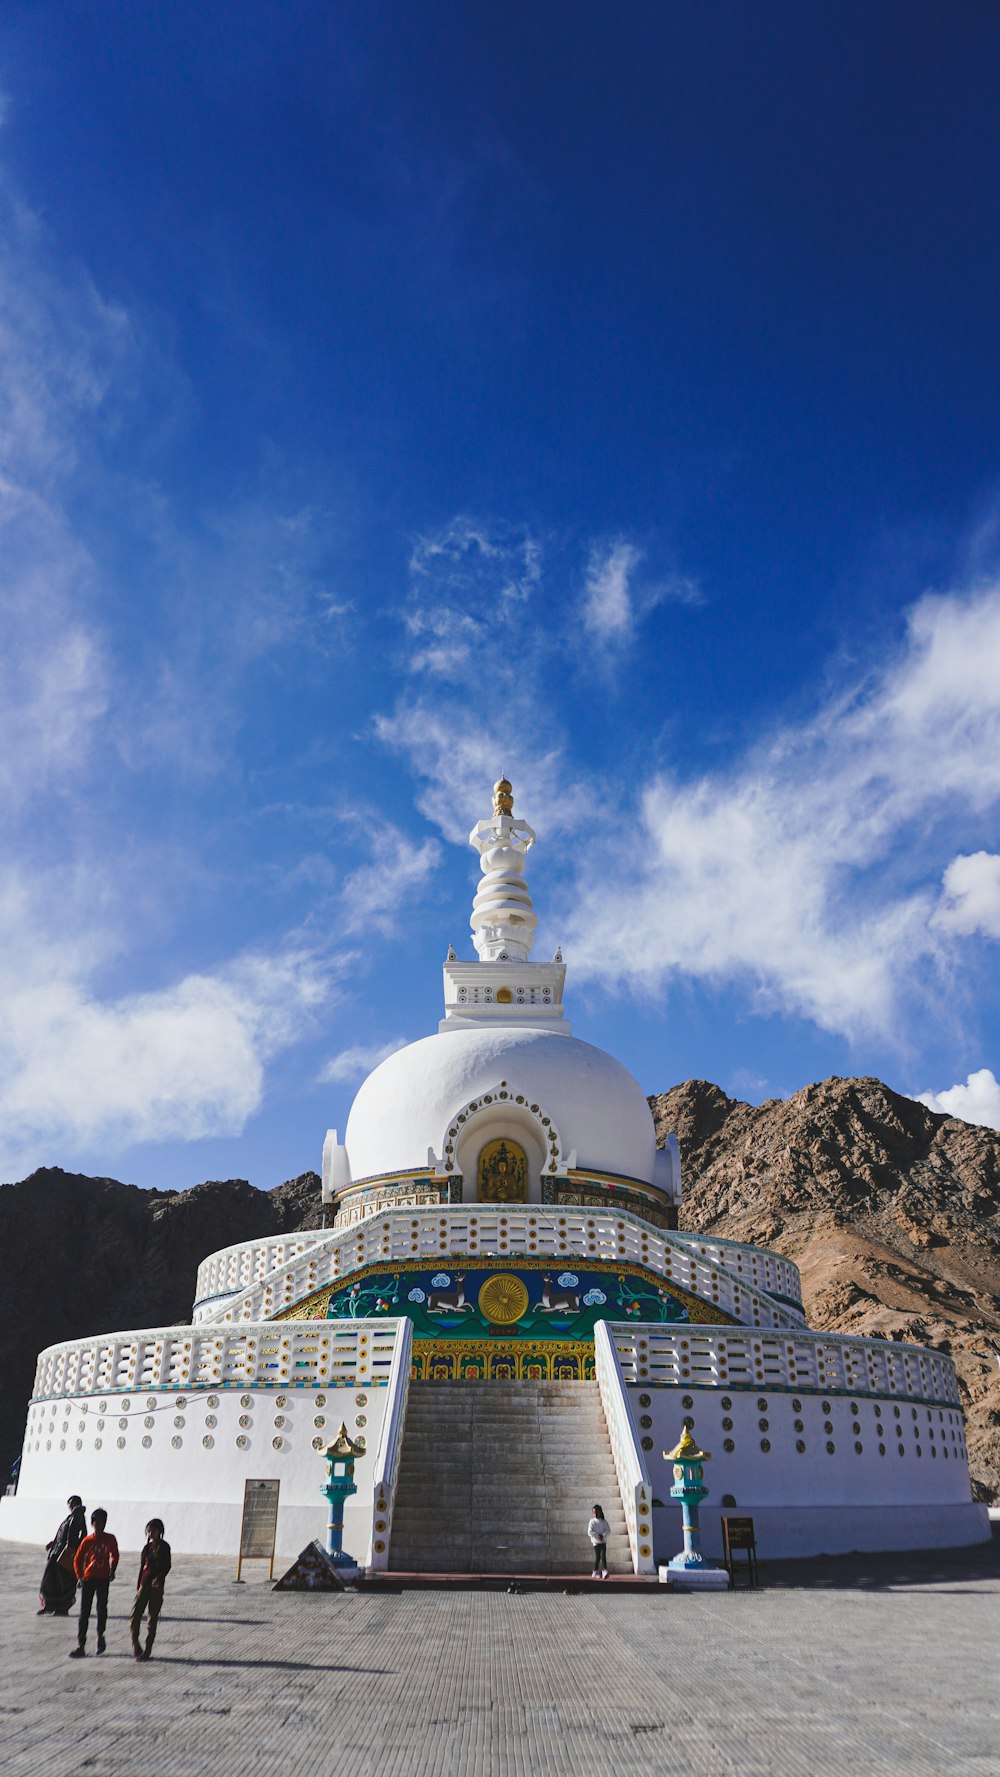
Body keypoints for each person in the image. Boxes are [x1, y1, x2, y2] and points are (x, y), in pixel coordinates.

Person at [70, 1508, 119, 1656]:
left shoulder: (110, 1538)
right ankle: (81, 1644)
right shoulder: (87, 1540)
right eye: (97, 1523)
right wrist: (79, 1576)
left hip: (103, 1578)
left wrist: (112, 1570)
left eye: (103, 1523)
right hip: (88, 1578)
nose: (100, 1526)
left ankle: (99, 1636)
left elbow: (115, 1555)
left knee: (101, 1608)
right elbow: (77, 1559)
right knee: (84, 1612)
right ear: (92, 1523)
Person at [129, 1519, 172, 1661]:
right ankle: (135, 1643)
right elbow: (142, 1568)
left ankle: (147, 1649)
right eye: (149, 1530)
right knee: (135, 1615)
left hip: (156, 1587)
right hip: (144, 1584)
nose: (151, 1533)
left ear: (160, 1531)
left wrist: (159, 1578)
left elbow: (166, 1566)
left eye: (153, 1530)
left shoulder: (164, 1547)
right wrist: (138, 1585)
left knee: (152, 1618)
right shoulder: (146, 1548)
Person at [38, 1495, 87, 1616]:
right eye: (69, 1503)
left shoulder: (78, 1515)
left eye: (72, 1503)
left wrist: (74, 1548)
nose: (70, 1506)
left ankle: (63, 1606)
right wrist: (53, 1543)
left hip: (66, 1553)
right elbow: (62, 1534)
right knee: (50, 1578)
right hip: (57, 1551)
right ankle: (50, 1605)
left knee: (64, 1580)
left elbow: (83, 1534)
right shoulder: (70, 1517)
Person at [588, 1503, 611, 1578]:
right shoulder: (592, 1521)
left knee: (603, 1556)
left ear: (601, 1512)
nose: (596, 1514)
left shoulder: (604, 1522)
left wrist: (603, 1536)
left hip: (603, 1542)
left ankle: (604, 1571)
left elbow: (608, 1530)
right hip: (596, 1543)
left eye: (597, 1512)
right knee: (598, 1557)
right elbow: (590, 1531)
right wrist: (597, 1536)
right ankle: (595, 1571)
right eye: (594, 1512)